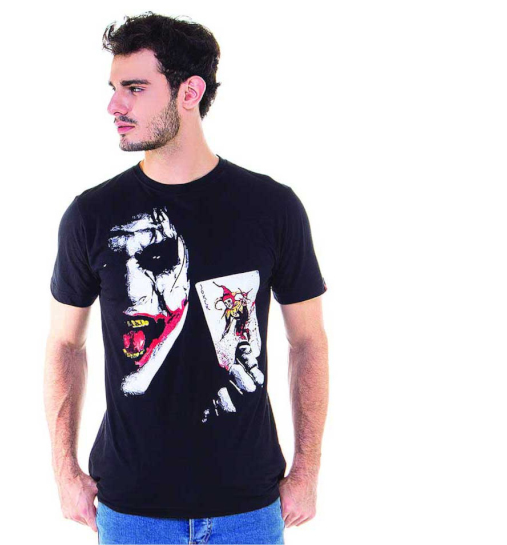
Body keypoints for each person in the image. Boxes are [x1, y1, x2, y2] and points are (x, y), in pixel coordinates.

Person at [43, 12, 329, 544]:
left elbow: (308, 341)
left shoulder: (272, 208)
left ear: (189, 92)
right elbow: (64, 344)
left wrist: (307, 472)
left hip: (248, 509)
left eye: (135, 88)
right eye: (114, 88)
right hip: (131, 511)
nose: (115, 106)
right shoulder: (91, 214)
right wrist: (65, 472)